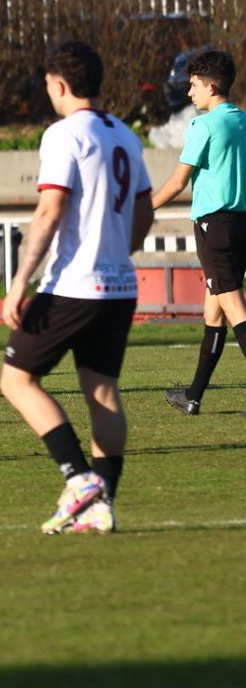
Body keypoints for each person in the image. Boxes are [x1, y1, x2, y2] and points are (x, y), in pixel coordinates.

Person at [0, 41, 152, 535]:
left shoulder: (64, 134)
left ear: (59, 85)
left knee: (16, 380)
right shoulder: (125, 135)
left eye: (47, 85)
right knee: (102, 389)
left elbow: (50, 210)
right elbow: (145, 211)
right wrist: (119, 248)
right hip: (120, 284)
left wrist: (19, 281)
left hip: (74, 284)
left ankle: (79, 477)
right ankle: (102, 505)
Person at [149, 49, 246, 416]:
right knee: (215, 312)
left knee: (235, 310)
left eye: (193, 86)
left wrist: (144, 209)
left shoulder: (203, 126)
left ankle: (193, 395)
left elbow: (178, 181)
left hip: (214, 227)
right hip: (240, 225)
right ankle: (193, 395)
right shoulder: (243, 121)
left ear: (211, 85)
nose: (189, 94)